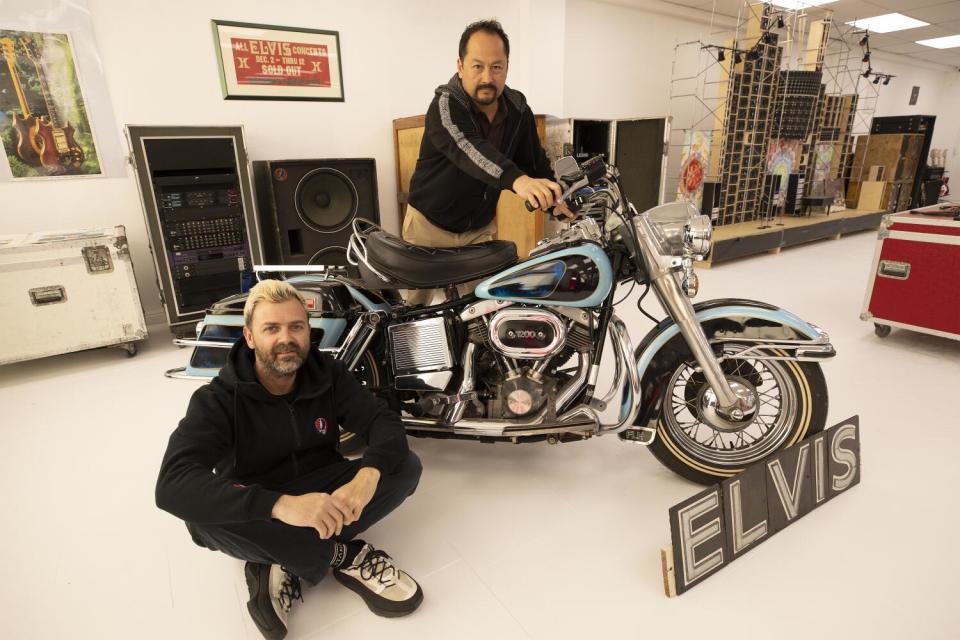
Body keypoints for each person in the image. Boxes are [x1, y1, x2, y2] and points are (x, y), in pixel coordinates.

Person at [156, 280, 423, 640]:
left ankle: (277, 557)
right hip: (261, 499)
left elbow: (383, 422)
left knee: (406, 466)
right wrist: (279, 506)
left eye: (296, 326)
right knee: (200, 520)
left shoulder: (328, 374)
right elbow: (172, 483)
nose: (286, 338)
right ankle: (343, 554)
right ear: (250, 337)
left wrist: (368, 475)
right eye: (271, 328)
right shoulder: (217, 399)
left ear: (309, 333)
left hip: (322, 485)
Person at [403, 19, 571, 305]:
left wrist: (558, 199)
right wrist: (518, 181)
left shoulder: (518, 108)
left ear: (507, 66)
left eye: (496, 67)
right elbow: (470, 149)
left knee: (481, 310)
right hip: (428, 228)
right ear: (460, 65)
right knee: (413, 312)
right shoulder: (445, 105)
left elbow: (534, 163)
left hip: (478, 232)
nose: (487, 77)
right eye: (477, 66)